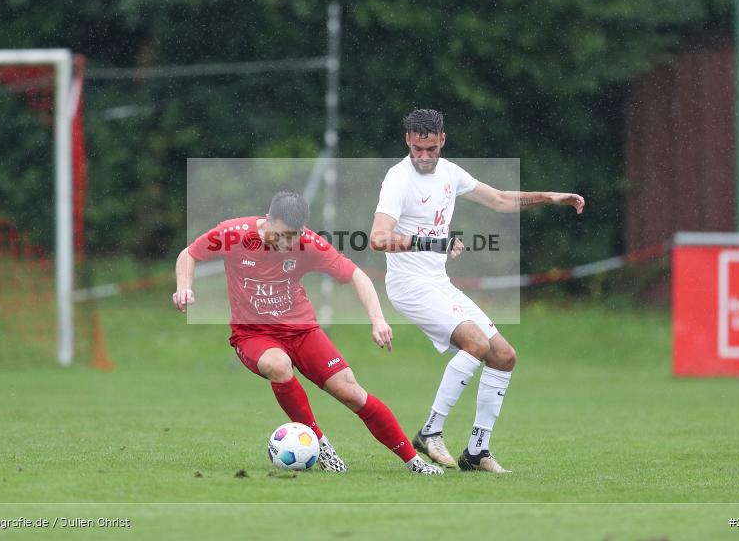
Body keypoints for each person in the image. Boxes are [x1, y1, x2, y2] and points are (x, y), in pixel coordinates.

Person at [369, 109, 585, 473]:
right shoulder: (397, 180)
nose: (424, 157)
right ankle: (430, 430)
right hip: (409, 286)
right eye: (418, 149)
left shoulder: (451, 173)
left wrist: (549, 197)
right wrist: (434, 244)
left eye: (431, 149)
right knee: (476, 344)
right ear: (407, 140)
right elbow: (377, 238)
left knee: (503, 356)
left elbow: (500, 200)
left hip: (438, 284)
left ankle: (477, 451)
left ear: (443, 141)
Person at [173, 190, 444, 475]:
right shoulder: (234, 234)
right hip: (253, 335)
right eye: (281, 235)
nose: (286, 243)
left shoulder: (309, 244)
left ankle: (414, 461)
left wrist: (377, 320)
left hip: (302, 331)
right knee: (278, 365)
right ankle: (320, 443)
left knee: (351, 393)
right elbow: (189, 254)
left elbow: (356, 275)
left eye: (293, 236)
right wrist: (184, 287)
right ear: (267, 221)